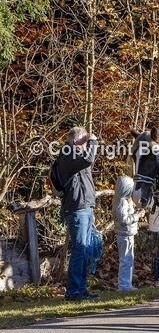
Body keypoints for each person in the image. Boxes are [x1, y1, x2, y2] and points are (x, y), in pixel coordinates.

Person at [49, 126, 100, 301]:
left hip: (84, 208)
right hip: (77, 209)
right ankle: (74, 291)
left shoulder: (74, 156)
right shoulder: (68, 156)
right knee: (79, 250)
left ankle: (81, 288)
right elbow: (89, 160)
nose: (86, 146)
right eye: (83, 142)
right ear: (76, 141)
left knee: (84, 250)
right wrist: (92, 140)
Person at [111, 175, 140, 292]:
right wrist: (137, 216)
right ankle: (124, 286)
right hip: (124, 234)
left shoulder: (123, 201)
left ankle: (127, 284)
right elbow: (124, 220)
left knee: (129, 259)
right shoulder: (122, 202)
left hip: (127, 234)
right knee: (126, 260)